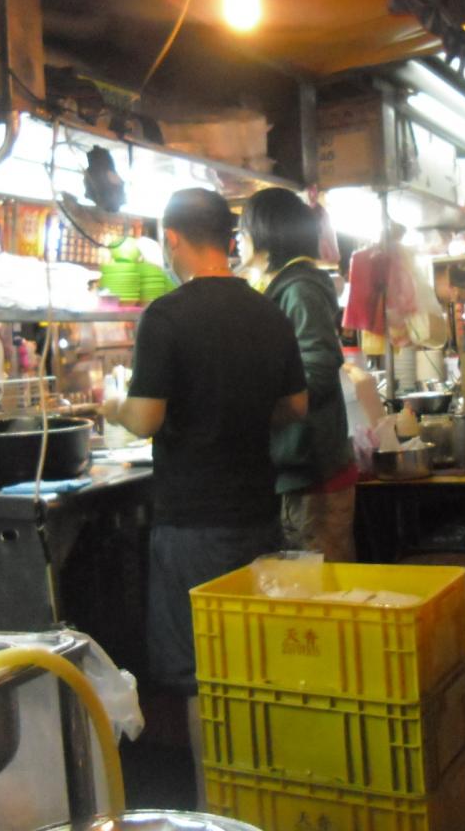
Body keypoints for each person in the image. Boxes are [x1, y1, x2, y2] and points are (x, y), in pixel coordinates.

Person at [103, 187, 308, 701]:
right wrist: (244, 410)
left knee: (200, 675)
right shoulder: (268, 310)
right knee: (253, 662)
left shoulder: (166, 315)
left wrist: (113, 406)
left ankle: (211, 759)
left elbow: (146, 418)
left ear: (172, 239)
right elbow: (296, 406)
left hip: (192, 526)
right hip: (259, 516)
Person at [240, 187, 358, 562]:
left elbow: (318, 368)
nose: (239, 241)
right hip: (302, 467)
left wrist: (265, 408)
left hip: (314, 469)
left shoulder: (300, 289)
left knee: (322, 581)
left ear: (265, 233)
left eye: (243, 231)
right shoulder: (287, 287)